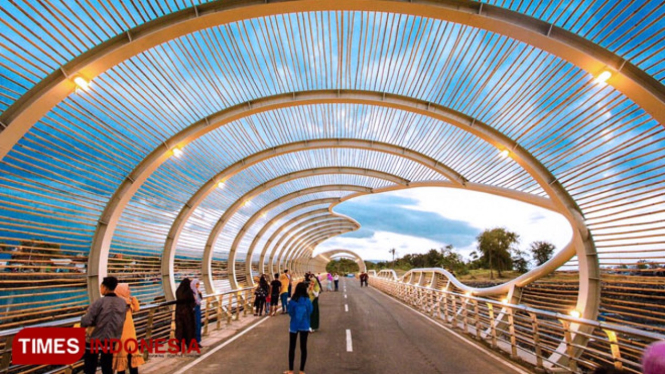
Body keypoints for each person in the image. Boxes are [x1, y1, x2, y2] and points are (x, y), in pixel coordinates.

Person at [81, 276, 127, 374]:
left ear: (105, 287)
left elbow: (86, 321)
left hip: (95, 339)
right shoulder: (122, 303)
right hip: (112, 340)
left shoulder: (99, 302)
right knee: (107, 366)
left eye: (101, 286)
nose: (100, 288)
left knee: (90, 366)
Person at [113, 283, 145, 374]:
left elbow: (137, 309)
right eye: (127, 289)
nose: (129, 291)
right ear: (121, 291)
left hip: (130, 335)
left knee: (130, 358)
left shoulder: (126, 302)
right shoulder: (119, 304)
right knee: (125, 359)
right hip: (123, 335)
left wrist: (133, 299)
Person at [285, 282, 313, 374]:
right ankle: (301, 370)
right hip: (304, 325)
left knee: (292, 347)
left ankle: (291, 370)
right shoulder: (307, 300)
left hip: (294, 325)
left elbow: (290, 312)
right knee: (303, 347)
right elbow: (310, 311)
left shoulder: (293, 300)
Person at [175, 278, 196, 351]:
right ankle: (189, 344)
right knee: (189, 329)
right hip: (187, 313)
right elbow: (193, 302)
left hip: (178, 312)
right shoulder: (189, 291)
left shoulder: (178, 291)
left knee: (179, 329)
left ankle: (179, 346)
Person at [191, 279, 203, 346]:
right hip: (193, 310)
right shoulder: (191, 292)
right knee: (194, 325)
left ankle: (197, 341)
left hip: (198, 308)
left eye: (198, 284)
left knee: (198, 325)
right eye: (196, 284)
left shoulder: (198, 292)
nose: (197, 286)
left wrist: (200, 293)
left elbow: (200, 299)